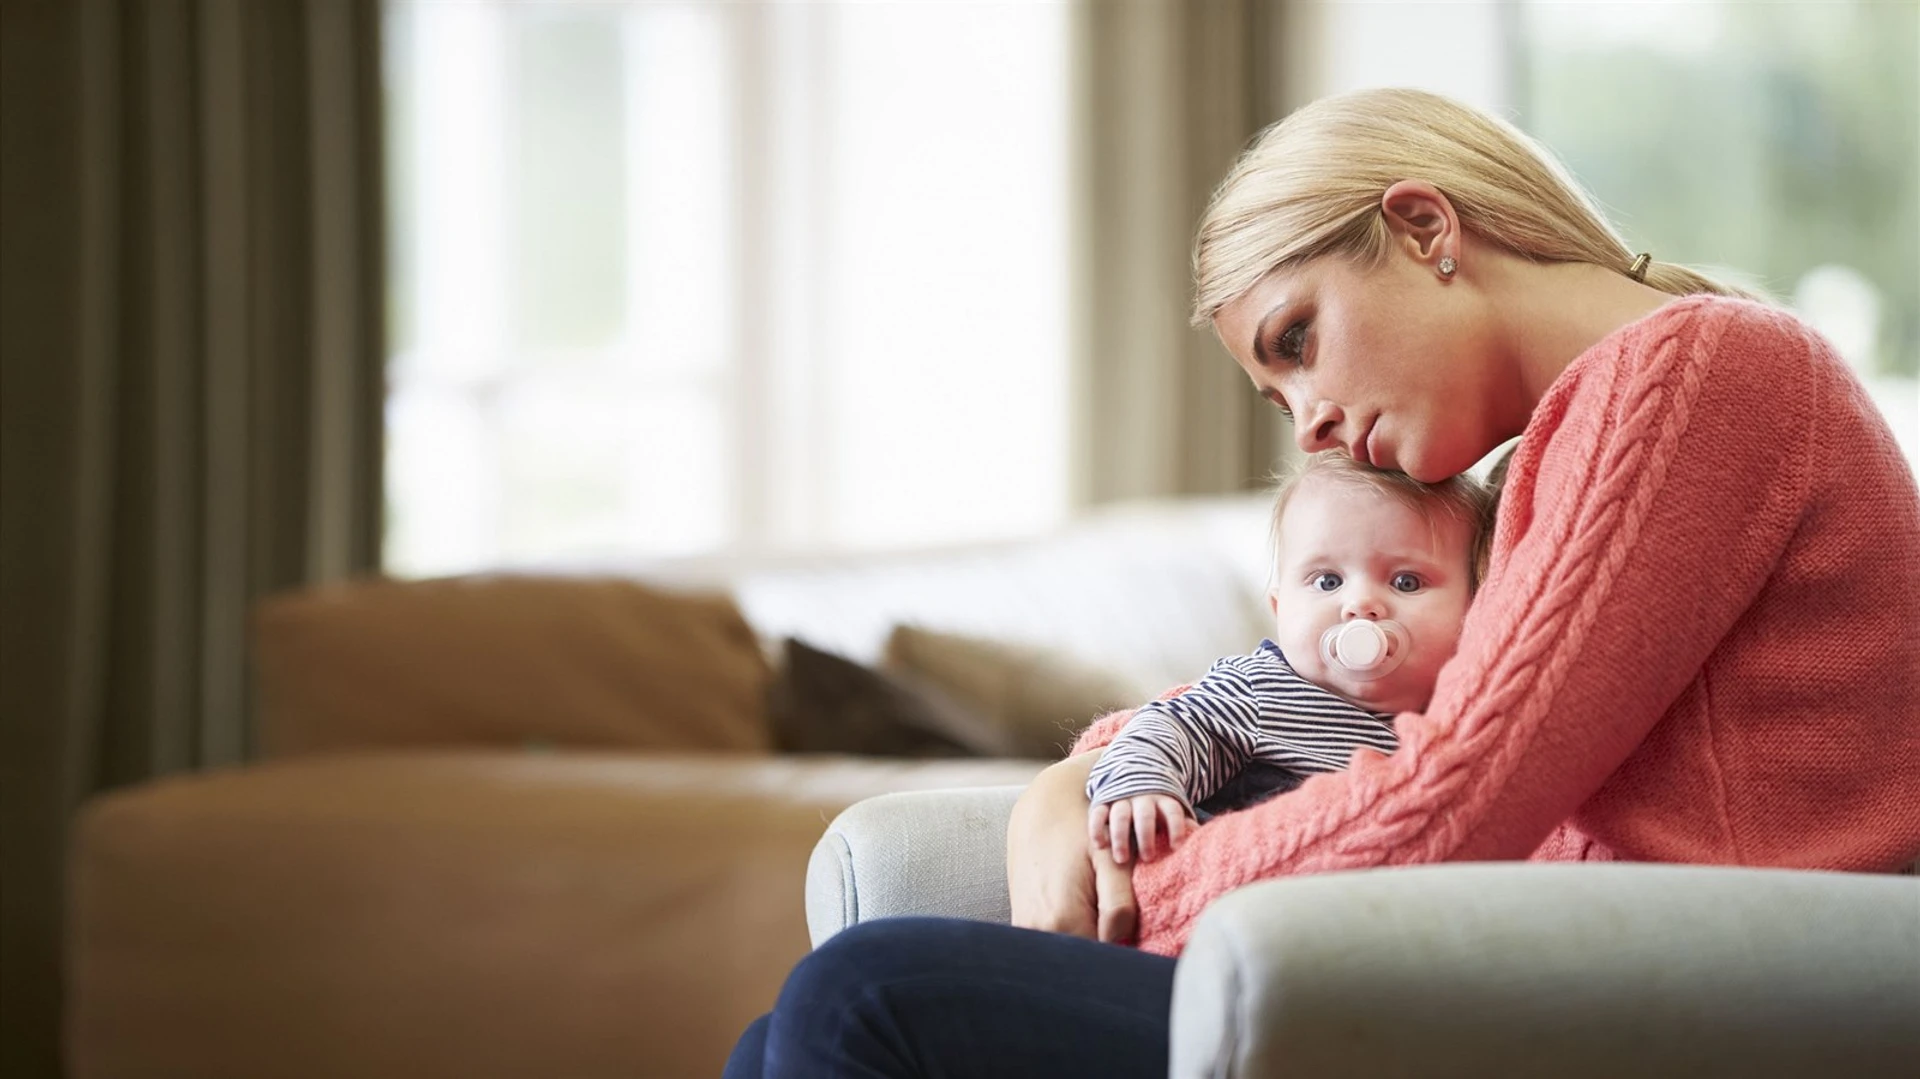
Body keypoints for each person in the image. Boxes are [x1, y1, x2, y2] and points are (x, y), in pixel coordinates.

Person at [723, 87, 1920, 1078]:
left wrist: (1144, 878)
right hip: (1531, 974)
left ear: (1423, 228)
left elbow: (1452, 797)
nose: (1314, 425)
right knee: (781, 1033)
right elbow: (1335, 702)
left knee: (862, 997)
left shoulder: (1702, 371)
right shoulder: (1559, 454)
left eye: (1297, 339)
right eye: (1277, 393)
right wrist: (1090, 774)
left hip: (1655, 1007)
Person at [1086, 453, 1495, 867]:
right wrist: (1144, 786)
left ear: (1474, 605)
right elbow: (1170, 725)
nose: (1360, 604)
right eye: (1327, 581)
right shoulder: (1260, 689)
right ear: (1280, 610)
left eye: (1406, 582)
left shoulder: (1463, 716)